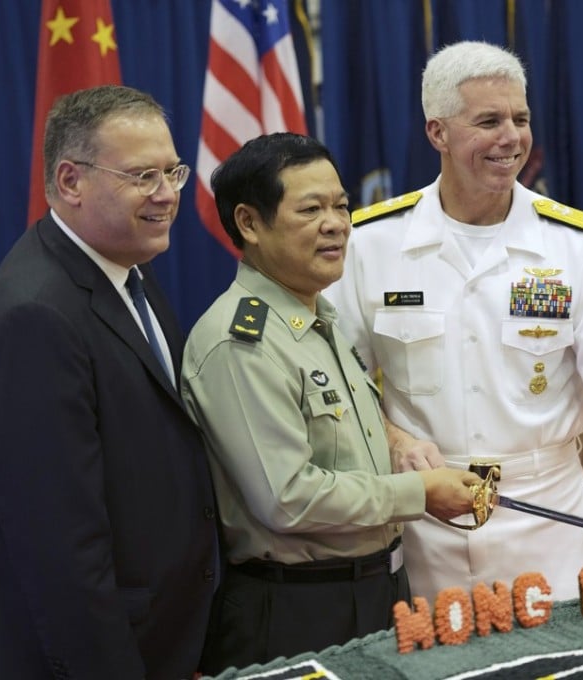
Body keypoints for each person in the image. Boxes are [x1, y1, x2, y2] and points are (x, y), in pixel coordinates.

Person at [326, 41, 583, 604]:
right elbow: (338, 379)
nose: (512, 138)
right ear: (438, 133)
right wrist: (394, 437)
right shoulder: (372, 243)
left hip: (549, 517)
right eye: (489, 121)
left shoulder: (576, 244)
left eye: (520, 119)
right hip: (424, 515)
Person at [180, 132, 483, 671]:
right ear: (249, 224)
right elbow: (288, 498)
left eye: (342, 206)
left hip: (374, 592)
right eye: (311, 209)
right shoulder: (241, 341)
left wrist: (403, 447)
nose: (337, 224)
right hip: (299, 608)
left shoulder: (318, 319)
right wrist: (420, 491)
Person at [0, 85, 218, 679]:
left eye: (173, 170)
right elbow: (58, 548)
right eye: (143, 176)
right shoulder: (35, 316)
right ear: (70, 182)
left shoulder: (124, 269)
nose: (168, 194)